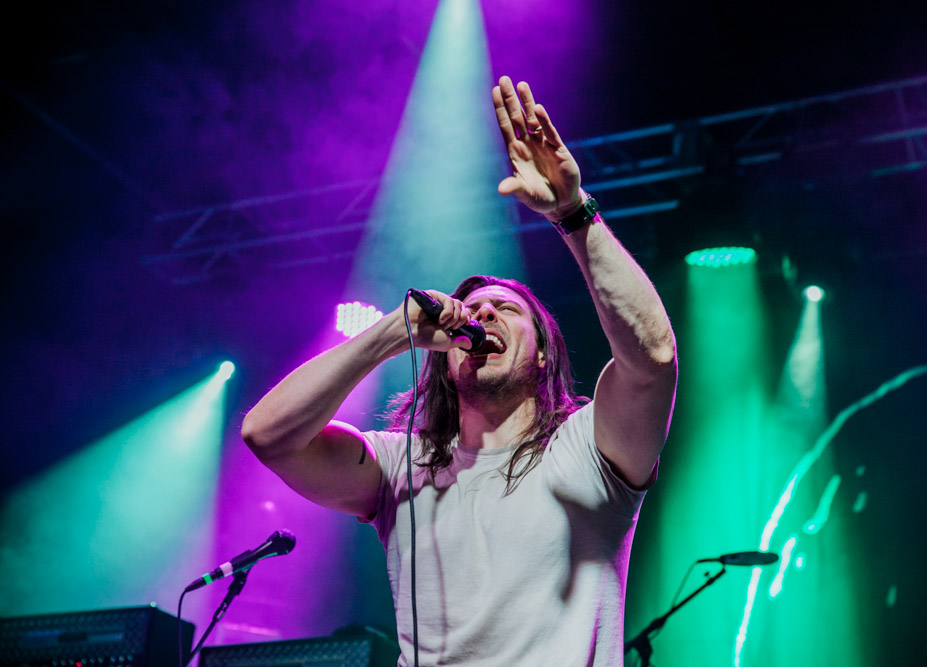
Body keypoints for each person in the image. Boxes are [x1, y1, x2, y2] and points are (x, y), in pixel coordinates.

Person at [241, 76, 677, 666]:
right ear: (446, 360)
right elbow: (267, 436)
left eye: (506, 310)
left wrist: (573, 213)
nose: (483, 314)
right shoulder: (399, 465)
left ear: (544, 351)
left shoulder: (591, 446)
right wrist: (389, 335)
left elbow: (652, 359)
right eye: (473, 310)